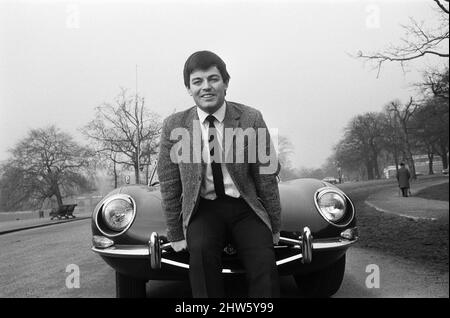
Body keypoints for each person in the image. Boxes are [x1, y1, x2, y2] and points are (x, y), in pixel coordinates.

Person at [157, 50, 281, 298]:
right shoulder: (174, 125)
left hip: (244, 206)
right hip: (203, 209)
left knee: (264, 259)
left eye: (213, 79)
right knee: (200, 255)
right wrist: (176, 233)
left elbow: (265, 176)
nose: (206, 87)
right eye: (197, 82)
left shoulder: (251, 118)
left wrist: (274, 226)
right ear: (189, 89)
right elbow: (170, 183)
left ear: (225, 83)